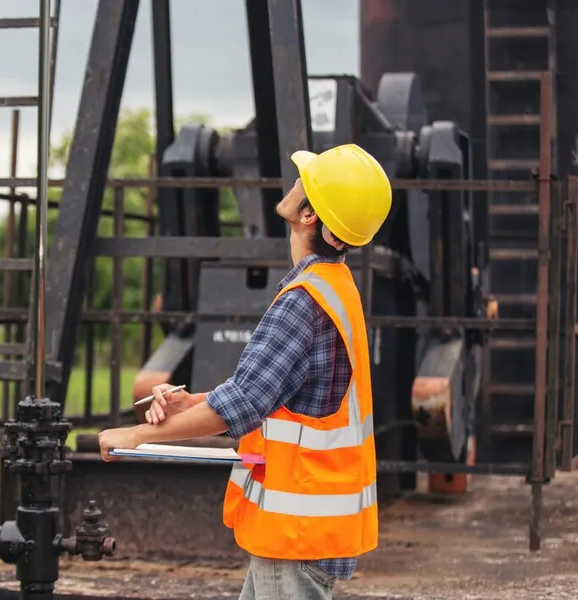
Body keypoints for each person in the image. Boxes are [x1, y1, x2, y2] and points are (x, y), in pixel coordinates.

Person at [98, 143, 393, 600]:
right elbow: (285, 396)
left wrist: (136, 437)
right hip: (308, 533)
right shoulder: (337, 289)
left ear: (310, 214)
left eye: (304, 180)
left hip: (295, 536)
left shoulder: (302, 302)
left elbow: (245, 403)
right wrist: (197, 402)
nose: (295, 181)